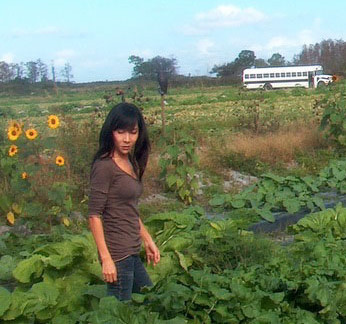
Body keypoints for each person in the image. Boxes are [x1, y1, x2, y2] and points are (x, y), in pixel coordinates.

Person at [88, 102, 160, 301]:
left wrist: (148, 240)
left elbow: (128, 209)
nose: (127, 139)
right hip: (118, 254)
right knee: (118, 314)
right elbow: (94, 215)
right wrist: (106, 259)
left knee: (150, 300)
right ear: (111, 132)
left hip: (132, 250)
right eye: (121, 132)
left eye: (133, 132)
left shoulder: (130, 161)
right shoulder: (104, 166)